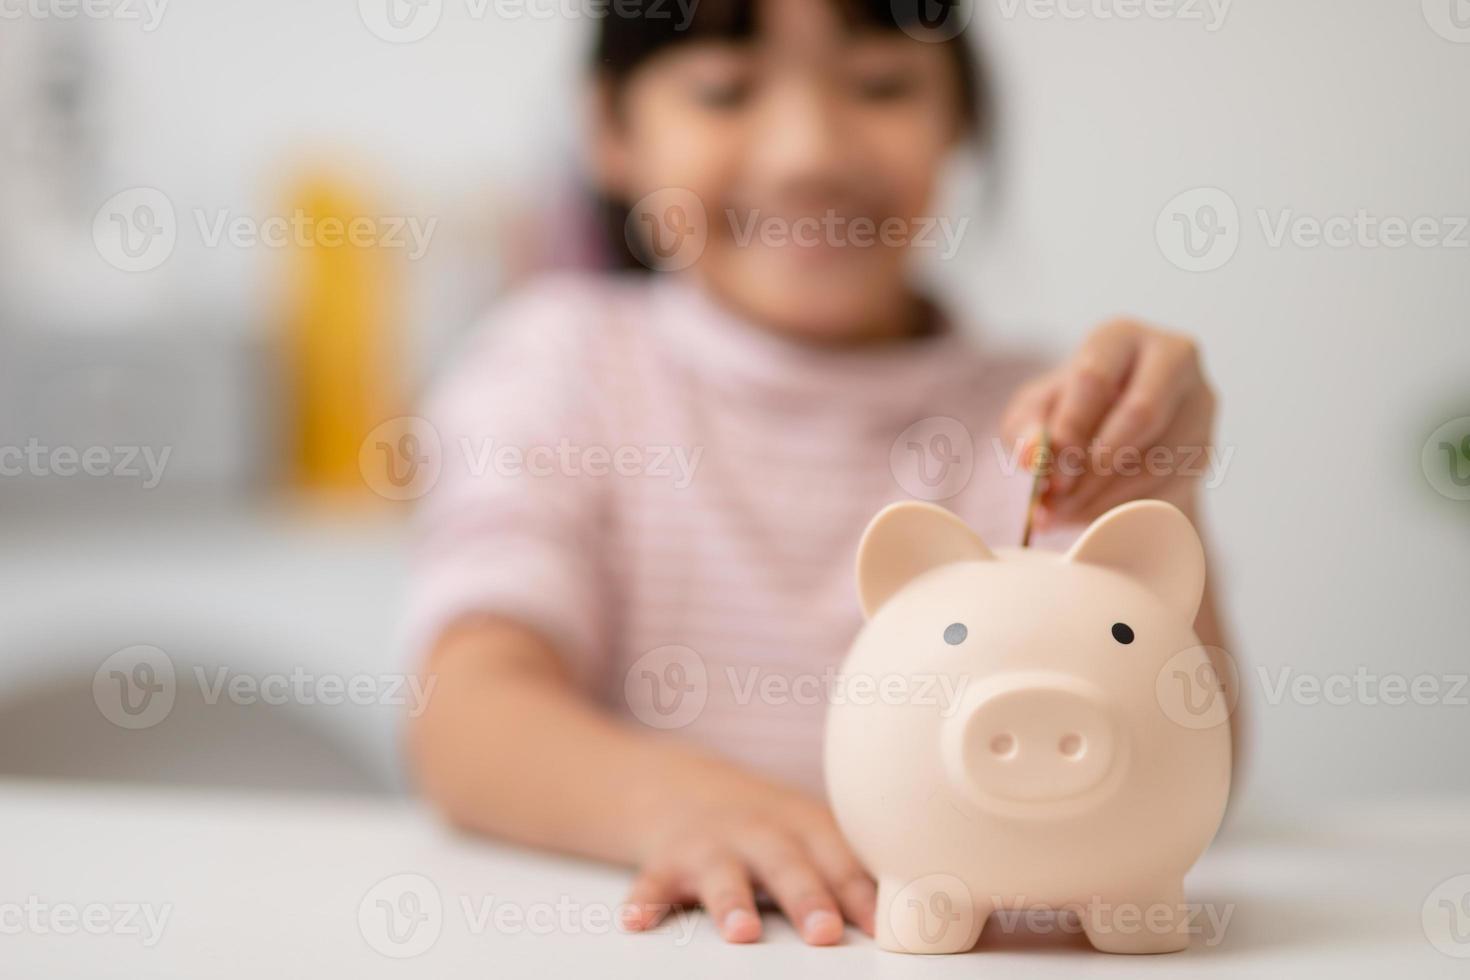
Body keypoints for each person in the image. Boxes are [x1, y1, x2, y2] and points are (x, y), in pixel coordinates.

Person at [408, 0, 1226, 947]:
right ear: (611, 130)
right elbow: (463, 716)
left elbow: (1189, 770)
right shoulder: (562, 368)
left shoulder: (1040, 425)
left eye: (881, 84)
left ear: (958, 115)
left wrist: (1158, 493)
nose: (808, 152)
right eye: (724, 91)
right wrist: (678, 803)